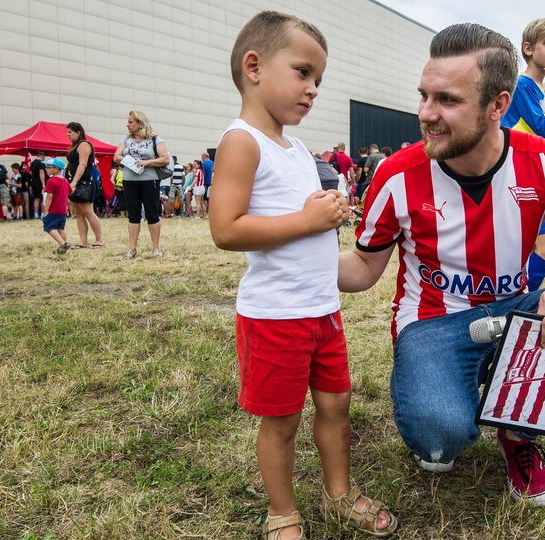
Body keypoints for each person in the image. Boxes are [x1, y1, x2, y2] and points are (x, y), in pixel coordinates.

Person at [338, 22, 545, 507]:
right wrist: (293, 257)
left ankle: (516, 429)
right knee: (440, 441)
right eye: (424, 96)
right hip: (434, 323)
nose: (426, 114)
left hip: (517, 314)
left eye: (447, 101)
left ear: (498, 105)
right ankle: (459, 400)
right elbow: (362, 268)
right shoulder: (396, 173)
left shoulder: (543, 163)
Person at [208, 11, 396, 540]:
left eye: (319, 80)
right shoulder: (241, 140)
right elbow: (226, 227)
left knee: (337, 406)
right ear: (254, 66)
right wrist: (309, 219)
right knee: (282, 420)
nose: (313, 89)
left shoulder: (295, 149)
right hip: (276, 317)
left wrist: (327, 210)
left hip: (322, 312)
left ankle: (338, 494)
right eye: (303, 73)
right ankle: (282, 511)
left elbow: (297, 219)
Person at [501, 17, 545, 291]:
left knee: (538, 244)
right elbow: (543, 132)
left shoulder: (539, 88)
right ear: (528, 48)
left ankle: (519, 296)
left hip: (525, 168)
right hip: (515, 169)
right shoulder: (524, 84)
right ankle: (523, 298)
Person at [114, 111, 168, 259]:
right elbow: (116, 156)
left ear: (140, 123)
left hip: (149, 180)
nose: (128, 125)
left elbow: (165, 159)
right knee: (133, 214)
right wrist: (130, 162)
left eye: (131, 122)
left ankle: (156, 247)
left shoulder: (155, 139)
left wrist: (147, 162)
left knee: (152, 213)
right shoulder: (126, 139)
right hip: (129, 180)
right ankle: (132, 248)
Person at [65, 122, 105, 248]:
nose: (68, 135)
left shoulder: (84, 145)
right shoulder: (75, 146)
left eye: (70, 132)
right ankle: (83, 241)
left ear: (78, 132)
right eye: (67, 132)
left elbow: (82, 165)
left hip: (83, 183)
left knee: (88, 212)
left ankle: (99, 240)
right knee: (79, 213)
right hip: (74, 182)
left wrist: (74, 182)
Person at [41, 158, 71, 255]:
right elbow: (69, 191)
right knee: (60, 228)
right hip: (62, 209)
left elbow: (49, 196)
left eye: (48, 167)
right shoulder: (65, 181)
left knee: (49, 227)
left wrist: (46, 210)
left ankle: (63, 244)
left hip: (53, 209)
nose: (46, 169)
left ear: (56, 169)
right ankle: (62, 248)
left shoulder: (51, 181)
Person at [29, 152, 48, 219]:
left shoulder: (33, 163)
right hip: (40, 183)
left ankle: (36, 214)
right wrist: (43, 183)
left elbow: (30, 172)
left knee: (36, 198)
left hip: (34, 182)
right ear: (42, 156)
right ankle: (43, 214)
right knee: (43, 198)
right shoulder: (41, 163)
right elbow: (41, 172)